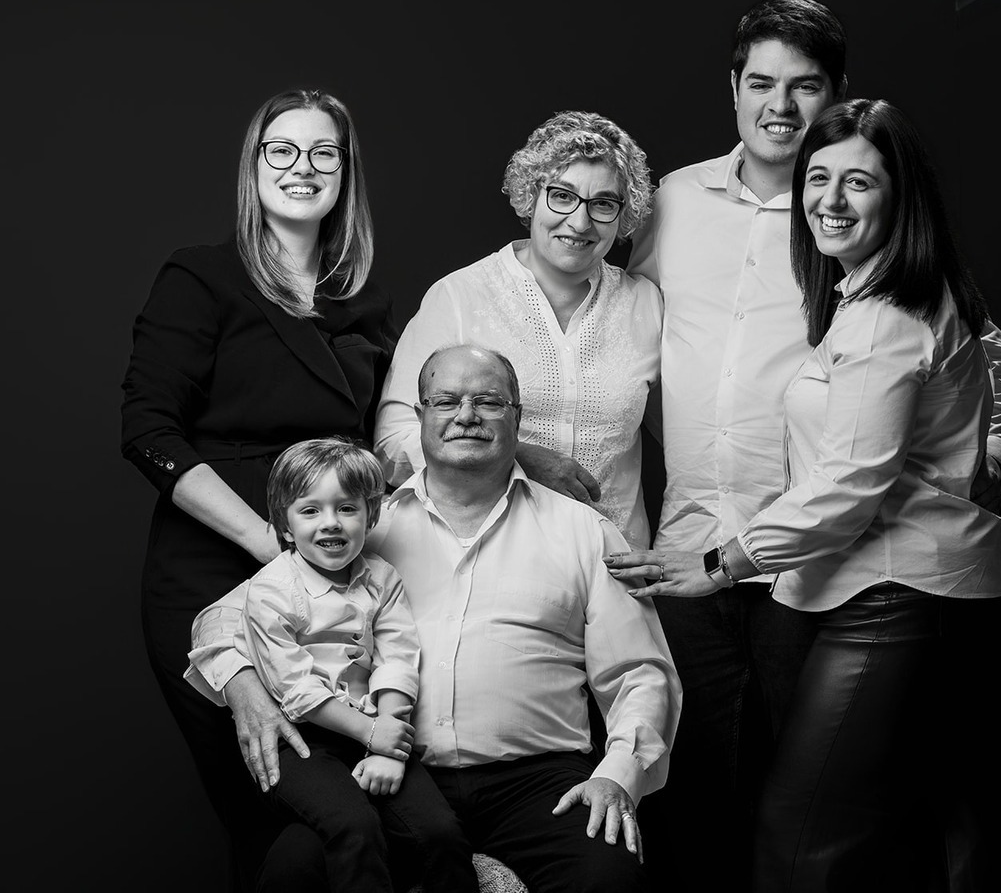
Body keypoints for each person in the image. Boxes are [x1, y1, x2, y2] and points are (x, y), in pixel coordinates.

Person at [624, 0, 1001, 891]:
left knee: (833, 815)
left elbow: (989, 360)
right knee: (712, 807)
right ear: (733, 88)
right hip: (696, 547)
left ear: (836, 95)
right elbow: (612, 321)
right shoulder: (674, 204)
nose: (779, 106)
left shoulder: (877, 248)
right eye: (760, 83)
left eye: (804, 87)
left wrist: (994, 460)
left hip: (821, 568)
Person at [189, 345, 682, 893]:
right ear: (420, 417)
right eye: (446, 401)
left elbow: (640, 673)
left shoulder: (583, 530)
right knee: (293, 869)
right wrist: (244, 689)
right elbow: (220, 619)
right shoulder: (360, 527)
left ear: (517, 416)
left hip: (537, 781)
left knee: (609, 878)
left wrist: (619, 774)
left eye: (488, 401)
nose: (466, 415)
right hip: (387, 774)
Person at [120, 89, 397, 891]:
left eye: (324, 152)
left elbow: (382, 443)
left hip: (327, 591)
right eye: (282, 149)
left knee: (337, 820)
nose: (302, 167)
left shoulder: (363, 302)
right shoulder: (202, 276)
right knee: (268, 810)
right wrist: (262, 541)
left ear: (345, 173)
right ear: (254, 165)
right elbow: (146, 431)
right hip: (214, 582)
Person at [189, 436, 470, 893]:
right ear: (284, 526)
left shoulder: (383, 578)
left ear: (370, 516)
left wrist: (387, 738)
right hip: (303, 739)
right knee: (353, 826)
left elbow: (398, 657)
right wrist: (370, 734)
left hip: (375, 724)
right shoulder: (270, 590)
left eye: (347, 508)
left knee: (440, 833)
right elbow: (296, 688)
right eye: (310, 510)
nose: (331, 522)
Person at [375, 110, 660, 548]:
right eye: (562, 196)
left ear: (624, 215)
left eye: (603, 203)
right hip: (485, 557)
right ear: (531, 195)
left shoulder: (645, 305)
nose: (580, 222)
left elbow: (692, 433)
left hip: (615, 559)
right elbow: (393, 442)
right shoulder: (460, 297)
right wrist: (514, 458)